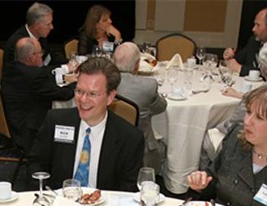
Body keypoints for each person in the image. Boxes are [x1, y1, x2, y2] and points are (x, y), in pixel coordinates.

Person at [28, 56, 144, 192]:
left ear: (110, 97)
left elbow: (128, 191)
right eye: (79, 91)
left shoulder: (129, 138)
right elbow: (36, 165)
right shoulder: (55, 121)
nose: (83, 100)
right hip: (60, 205)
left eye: (92, 94)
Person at [2, 38, 76, 155]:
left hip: (14, 124)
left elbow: (44, 78)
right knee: (71, 119)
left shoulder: (10, 68)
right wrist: (78, 82)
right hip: (31, 131)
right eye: (40, 52)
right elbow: (65, 94)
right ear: (32, 57)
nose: (42, 54)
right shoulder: (35, 76)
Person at [214, 40, 267, 138]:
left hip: (247, 140)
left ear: (262, 68)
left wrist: (213, 126)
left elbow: (231, 125)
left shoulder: (255, 98)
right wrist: (238, 94)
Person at [112, 42, 166, 170]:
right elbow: (161, 107)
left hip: (108, 143)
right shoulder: (148, 85)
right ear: (137, 65)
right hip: (141, 149)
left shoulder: (102, 82)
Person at [224, 7, 267, 77]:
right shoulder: (254, 41)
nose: (253, 29)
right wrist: (230, 56)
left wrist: (241, 69)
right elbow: (239, 59)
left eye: (258, 25)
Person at [4, 2, 65, 67]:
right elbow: (28, 72)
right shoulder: (18, 43)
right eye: (48, 24)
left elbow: (50, 56)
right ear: (37, 26)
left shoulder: (40, 36)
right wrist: (65, 69)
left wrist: (70, 63)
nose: (52, 27)